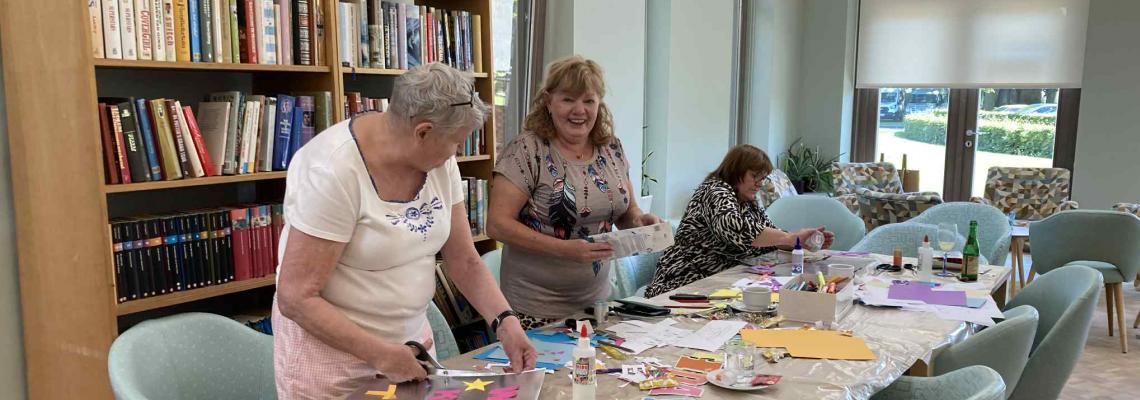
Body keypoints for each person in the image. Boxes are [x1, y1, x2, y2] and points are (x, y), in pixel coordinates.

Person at [271, 63, 535, 398]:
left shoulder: (438, 162)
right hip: (333, 359)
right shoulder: (332, 170)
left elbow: (464, 260)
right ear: (422, 132)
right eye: (456, 142)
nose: (456, 152)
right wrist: (380, 354)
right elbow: (295, 297)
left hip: (408, 348)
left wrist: (505, 322)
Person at [488, 55, 663, 330]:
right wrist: (564, 250)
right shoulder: (526, 151)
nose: (579, 110)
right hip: (535, 312)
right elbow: (497, 224)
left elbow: (626, 211)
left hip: (599, 305)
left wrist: (641, 222)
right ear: (548, 102)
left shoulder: (611, 148)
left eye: (588, 101)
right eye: (568, 99)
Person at [643, 145, 835, 298]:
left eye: (762, 178)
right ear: (736, 171)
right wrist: (791, 238)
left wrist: (799, 243)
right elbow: (738, 229)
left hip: (720, 278)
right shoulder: (715, 190)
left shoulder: (748, 200)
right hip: (687, 276)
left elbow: (768, 237)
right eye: (754, 176)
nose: (759, 184)